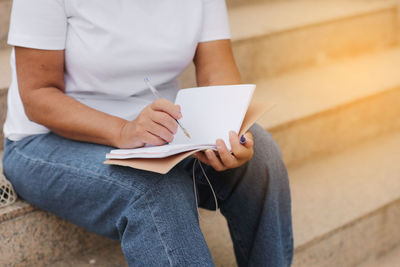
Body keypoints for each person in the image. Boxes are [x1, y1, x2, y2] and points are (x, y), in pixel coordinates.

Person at [2, 0, 293, 266]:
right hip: (47, 140)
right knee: (155, 189)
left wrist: (225, 127)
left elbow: (216, 69)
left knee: (261, 154)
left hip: (157, 133)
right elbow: (38, 96)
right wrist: (123, 130)